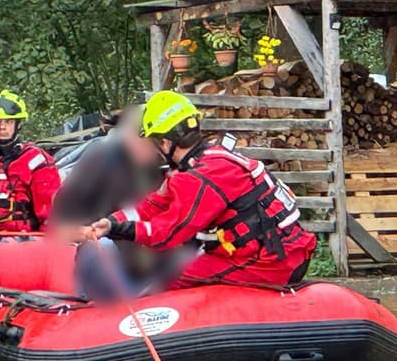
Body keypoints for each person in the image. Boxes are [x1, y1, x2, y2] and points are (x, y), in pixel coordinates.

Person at [87, 90, 317, 289]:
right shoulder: (206, 162)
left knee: (171, 280)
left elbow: (167, 233)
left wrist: (118, 229)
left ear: (166, 142)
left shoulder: (201, 178)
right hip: (278, 250)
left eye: (154, 142)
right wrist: (109, 222)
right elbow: (155, 204)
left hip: (271, 262)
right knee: (179, 265)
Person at [51, 106, 170, 300]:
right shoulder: (100, 160)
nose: (155, 151)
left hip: (145, 257)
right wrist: (85, 231)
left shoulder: (159, 169)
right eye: (150, 143)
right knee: (105, 248)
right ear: (133, 138)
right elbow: (64, 217)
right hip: (103, 250)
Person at [0, 89, 60, 232]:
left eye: (8, 122)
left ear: (17, 124)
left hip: (22, 241)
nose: (2, 127)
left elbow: (50, 216)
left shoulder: (36, 161)